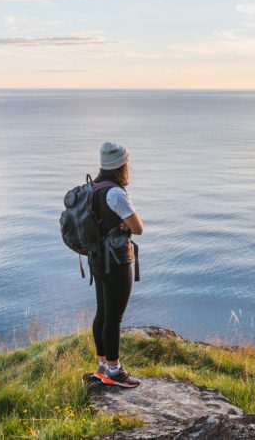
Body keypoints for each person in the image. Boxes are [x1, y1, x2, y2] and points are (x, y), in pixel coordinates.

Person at [89, 141, 144, 388]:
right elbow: (138, 228)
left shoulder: (94, 188)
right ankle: (114, 370)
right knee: (114, 318)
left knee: (102, 313)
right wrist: (124, 224)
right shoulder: (116, 194)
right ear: (121, 166)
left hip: (97, 259)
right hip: (116, 261)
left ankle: (102, 366)